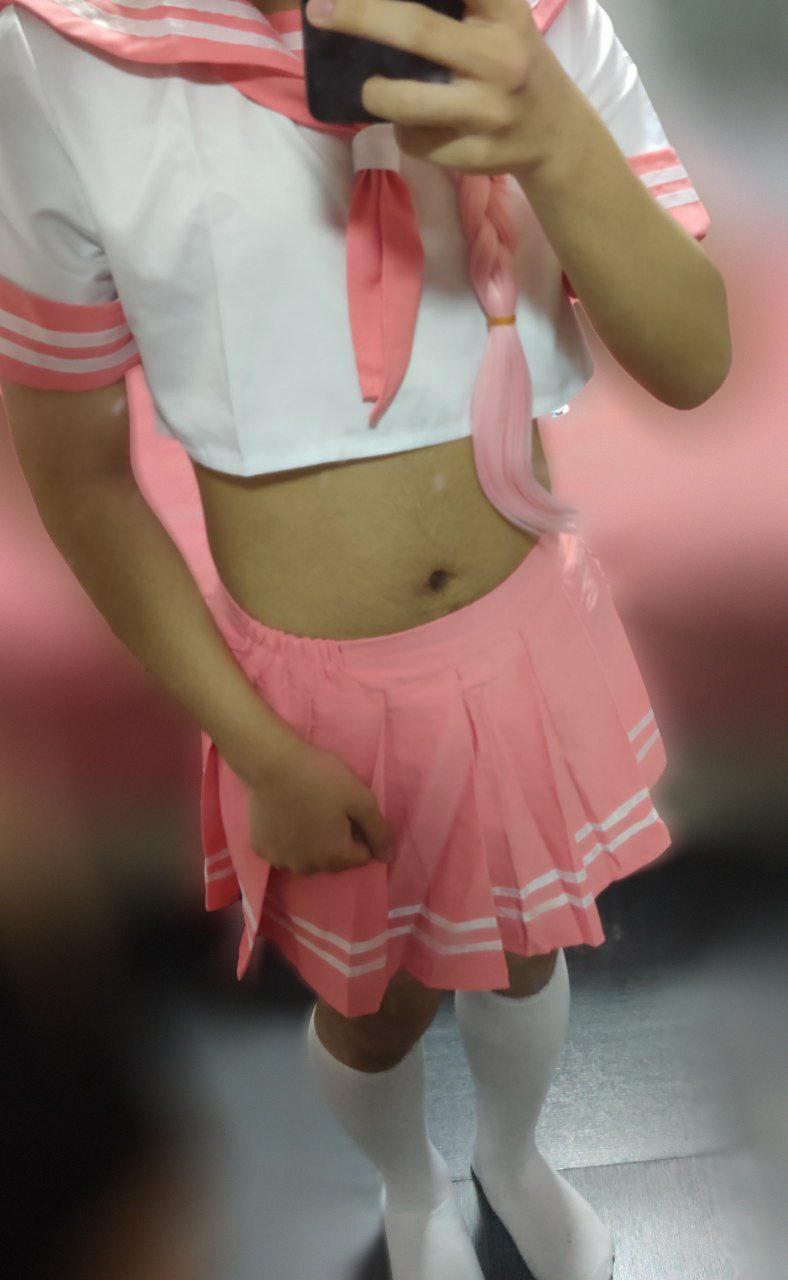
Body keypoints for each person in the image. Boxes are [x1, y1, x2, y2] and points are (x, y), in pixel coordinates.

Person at [0, 0, 731, 1276]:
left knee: (525, 950)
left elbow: (690, 355)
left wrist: (551, 132)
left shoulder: (533, 22)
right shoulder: (67, 55)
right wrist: (257, 748)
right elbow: (77, 473)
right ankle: (406, 1184)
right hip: (313, 709)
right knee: (375, 1006)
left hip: (524, 636)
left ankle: (513, 1155)